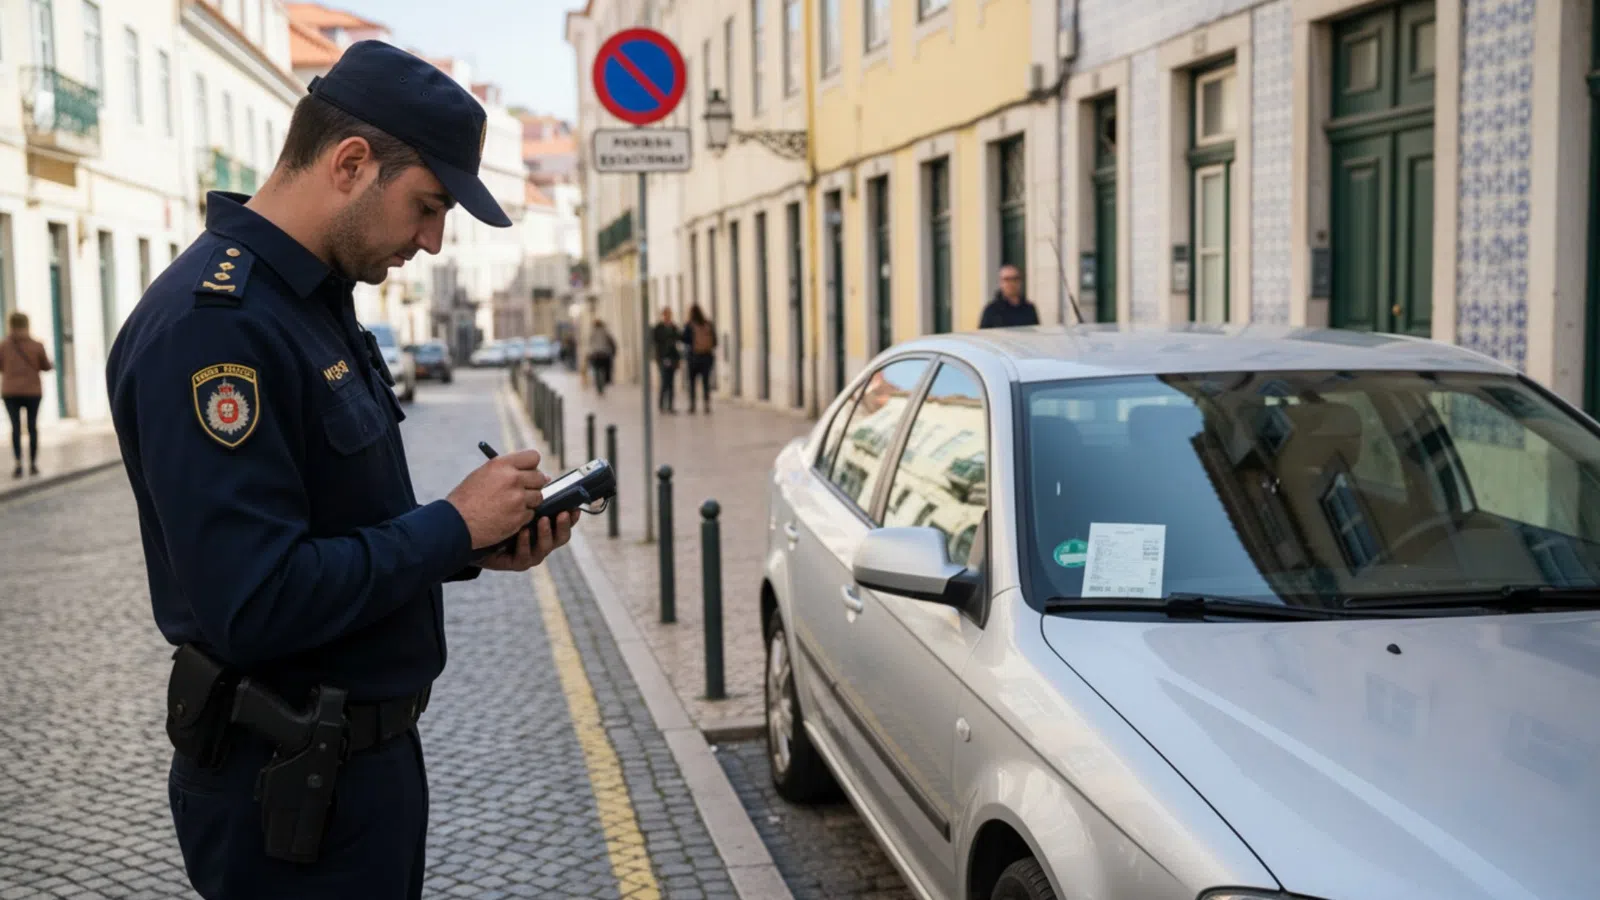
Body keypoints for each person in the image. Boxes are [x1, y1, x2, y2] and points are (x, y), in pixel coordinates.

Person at [102, 41, 580, 900]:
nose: (433, 242)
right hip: (287, 793)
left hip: (356, 774)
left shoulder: (312, 304)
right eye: (428, 206)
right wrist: (449, 525)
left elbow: (337, 525)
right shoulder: (217, 328)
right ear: (351, 163)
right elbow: (256, 600)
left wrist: (470, 543)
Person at [0, 310, 52, 478]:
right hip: (32, 392)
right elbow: (46, 366)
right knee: (32, 427)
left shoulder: (4, 346)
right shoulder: (36, 345)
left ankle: (18, 464)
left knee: (15, 427)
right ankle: (33, 464)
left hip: (11, 392)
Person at [978, 264, 1040, 328]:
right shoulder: (991, 310)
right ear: (1000, 282)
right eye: (1007, 279)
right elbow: (984, 333)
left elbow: (1036, 332)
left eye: (1015, 279)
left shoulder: (1030, 308)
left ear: (1021, 281)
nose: (1012, 283)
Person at [682, 304, 716, 414]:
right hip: (706, 357)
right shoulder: (708, 324)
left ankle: (692, 405)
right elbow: (715, 342)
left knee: (692, 383)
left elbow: (684, 339)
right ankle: (706, 405)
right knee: (706, 382)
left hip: (693, 357)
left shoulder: (689, 325)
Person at [651, 306, 681, 413]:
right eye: (666, 314)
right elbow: (655, 341)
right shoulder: (658, 328)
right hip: (662, 358)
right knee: (664, 382)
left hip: (672, 358)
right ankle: (661, 405)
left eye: (669, 314)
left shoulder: (674, 327)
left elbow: (678, 339)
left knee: (671, 383)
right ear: (663, 315)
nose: (668, 316)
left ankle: (670, 406)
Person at [588, 319, 617, 395]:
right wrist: (613, 351)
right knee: (606, 369)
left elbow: (590, 344)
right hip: (604, 354)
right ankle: (605, 382)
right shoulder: (605, 332)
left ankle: (598, 386)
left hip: (595, 354)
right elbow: (611, 342)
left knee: (596, 370)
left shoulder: (592, 332)